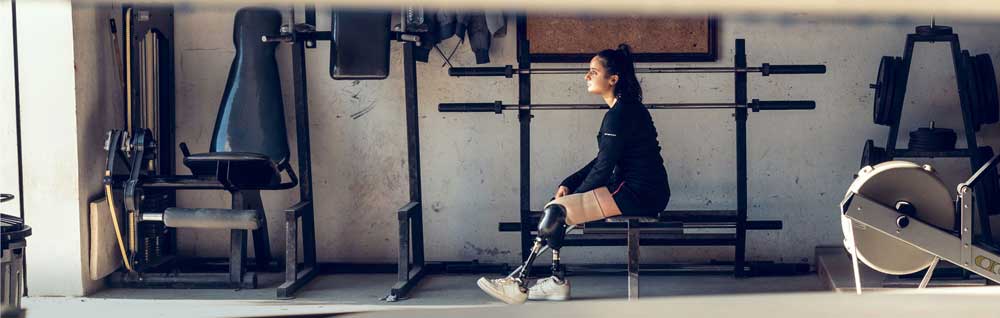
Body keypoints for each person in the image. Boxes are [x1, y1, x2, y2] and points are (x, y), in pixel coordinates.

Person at [476, 43, 671, 304]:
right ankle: (555, 282)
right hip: (637, 190)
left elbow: (603, 169)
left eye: (593, 71)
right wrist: (570, 183)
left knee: (557, 212)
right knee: (557, 209)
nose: (586, 76)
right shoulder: (623, 110)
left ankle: (520, 282)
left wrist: (572, 200)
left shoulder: (621, 113)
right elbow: (603, 159)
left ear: (613, 79)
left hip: (639, 193)